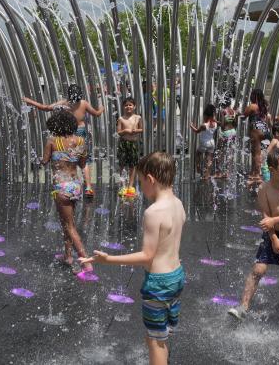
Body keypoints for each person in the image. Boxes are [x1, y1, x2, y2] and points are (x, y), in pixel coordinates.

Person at [81, 152, 186, 365]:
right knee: (160, 335)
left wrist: (107, 259)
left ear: (150, 179)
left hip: (158, 283)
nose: (140, 188)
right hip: (177, 276)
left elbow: (147, 256)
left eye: (140, 182)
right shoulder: (178, 204)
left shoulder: (153, 212)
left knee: (154, 342)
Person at [228, 148, 279, 321]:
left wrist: (274, 221)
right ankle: (243, 306)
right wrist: (273, 237)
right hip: (272, 234)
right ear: (272, 170)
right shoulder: (264, 189)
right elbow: (266, 217)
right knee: (258, 270)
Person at [23, 84, 104, 196]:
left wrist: (30, 101)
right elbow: (97, 114)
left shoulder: (64, 103)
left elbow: (45, 108)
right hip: (80, 132)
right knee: (84, 161)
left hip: (67, 133)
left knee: (66, 157)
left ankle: (65, 183)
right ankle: (88, 187)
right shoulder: (84, 103)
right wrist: (102, 108)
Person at [40, 108, 94, 275]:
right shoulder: (80, 141)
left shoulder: (52, 141)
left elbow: (44, 161)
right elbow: (82, 163)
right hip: (75, 186)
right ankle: (68, 255)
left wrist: (39, 160)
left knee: (69, 226)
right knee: (66, 223)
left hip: (61, 187)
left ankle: (86, 263)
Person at [243, 88, 272, 188]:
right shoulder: (264, 106)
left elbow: (244, 115)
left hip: (256, 130)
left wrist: (237, 113)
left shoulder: (252, 106)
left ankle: (257, 175)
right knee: (261, 152)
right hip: (265, 130)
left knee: (256, 153)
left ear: (253, 96)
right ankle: (255, 172)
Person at [117, 97, 144, 189]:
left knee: (133, 165)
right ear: (123, 107)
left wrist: (135, 130)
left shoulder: (138, 117)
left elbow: (142, 129)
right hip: (123, 143)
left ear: (134, 106)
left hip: (133, 144)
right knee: (122, 164)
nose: (128, 107)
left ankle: (130, 185)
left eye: (130, 105)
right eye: (126, 105)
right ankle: (122, 185)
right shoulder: (121, 119)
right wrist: (125, 131)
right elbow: (119, 132)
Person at [190, 104, 218, 180]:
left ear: (206, 115)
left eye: (204, 115)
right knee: (209, 160)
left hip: (204, 143)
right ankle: (207, 175)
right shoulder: (215, 124)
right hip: (212, 143)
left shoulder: (204, 125)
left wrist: (191, 126)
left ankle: (198, 169)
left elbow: (196, 131)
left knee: (198, 154)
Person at [216, 97, 238, 179]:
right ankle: (229, 172)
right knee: (230, 152)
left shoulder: (223, 111)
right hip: (233, 132)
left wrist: (216, 122)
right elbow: (235, 123)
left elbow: (222, 125)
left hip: (226, 132)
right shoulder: (233, 111)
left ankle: (220, 172)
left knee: (220, 152)